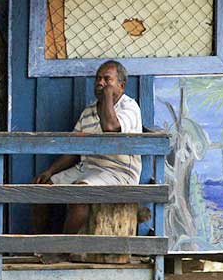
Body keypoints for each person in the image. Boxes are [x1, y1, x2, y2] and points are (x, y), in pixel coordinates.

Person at [32, 60, 143, 235]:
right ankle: (40, 246)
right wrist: (50, 171)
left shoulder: (129, 107)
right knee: (41, 189)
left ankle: (63, 250)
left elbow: (111, 128)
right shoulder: (88, 112)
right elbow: (75, 150)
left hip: (118, 172)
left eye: (107, 80)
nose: (100, 83)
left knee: (79, 193)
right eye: (98, 79)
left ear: (121, 85)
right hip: (87, 168)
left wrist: (107, 96)